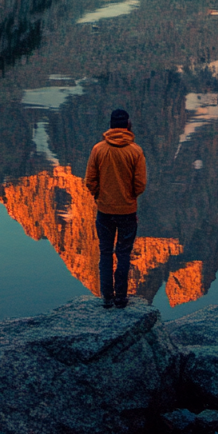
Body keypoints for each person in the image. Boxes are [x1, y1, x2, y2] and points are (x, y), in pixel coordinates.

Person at [84, 108, 146, 308]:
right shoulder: (135, 151)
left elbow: (90, 180)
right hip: (127, 211)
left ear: (110, 126)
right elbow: (140, 184)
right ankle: (121, 297)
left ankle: (107, 298)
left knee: (105, 252)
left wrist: (99, 196)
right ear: (127, 125)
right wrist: (130, 198)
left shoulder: (98, 149)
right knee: (124, 253)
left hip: (104, 211)